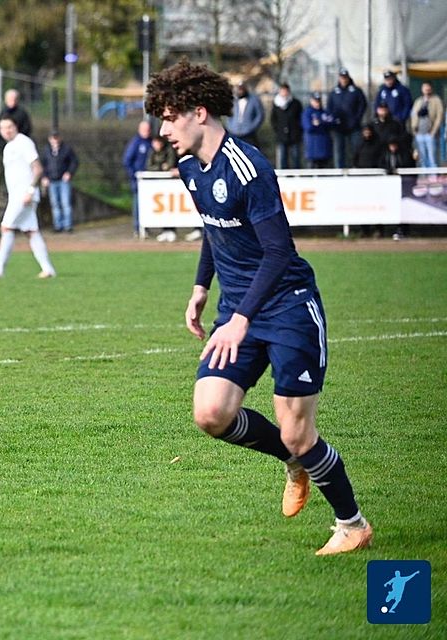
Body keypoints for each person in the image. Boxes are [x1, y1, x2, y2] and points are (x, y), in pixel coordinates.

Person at [145, 59, 372, 556]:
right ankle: (293, 461)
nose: (163, 131)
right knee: (211, 413)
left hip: (287, 307)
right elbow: (213, 226)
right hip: (238, 309)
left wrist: (241, 318)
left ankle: (351, 523)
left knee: (298, 432)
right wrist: (202, 286)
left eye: (168, 118)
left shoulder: (249, 168)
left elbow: (279, 252)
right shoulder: (189, 167)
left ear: (198, 112)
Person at [0, 117, 56, 280]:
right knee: (31, 232)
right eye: (3, 128)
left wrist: (30, 190)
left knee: (6, 227)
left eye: (10, 127)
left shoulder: (24, 142)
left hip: (24, 196)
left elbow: (37, 168)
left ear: (16, 127)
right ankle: (48, 269)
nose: (7, 130)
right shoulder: (8, 147)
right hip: (16, 196)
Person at [145, 134, 184, 242]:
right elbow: (148, 166)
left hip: (170, 184)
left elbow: (170, 165)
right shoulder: (152, 152)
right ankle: (164, 230)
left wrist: (163, 167)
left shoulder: (169, 150)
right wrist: (160, 167)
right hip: (158, 184)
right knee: (163, 209)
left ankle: (172, 230)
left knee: (171, 208)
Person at [327, 68, 367, 168]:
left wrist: (356, 119)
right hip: (338, 127)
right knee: (339, 150)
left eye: (345, 78)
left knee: (355, 149)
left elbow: (362, 105)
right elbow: (329, 108)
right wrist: (334, 120)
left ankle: (355, 167)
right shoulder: (334, 92)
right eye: (342, 78)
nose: (344, 80)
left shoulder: (356, 91)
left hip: (354, 126)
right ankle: (339, 169)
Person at [39, 130, 79, 233]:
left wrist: (69, 173)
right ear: (50, 139)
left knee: (65, 203)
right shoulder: (46, 150)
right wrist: (44, 177)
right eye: (53, 138)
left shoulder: (67, 149)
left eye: (56, 138)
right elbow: (42, 165)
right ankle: (58, 225)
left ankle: (68, 226)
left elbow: (74, 162)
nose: (55, 140)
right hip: (52, 180)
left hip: (63, 180)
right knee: (55, 204)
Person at [122, 120, 152, 235]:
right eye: (145, 129)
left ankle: (146, 227)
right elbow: (127, 160)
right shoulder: (135, 143)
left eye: (148, 129)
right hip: (139, 180)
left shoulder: (151, 142)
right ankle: (137, 228)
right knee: (138, 203)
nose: (147, 132)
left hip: (150, 180)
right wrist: (134, 174)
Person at [410, 82, 444, 169]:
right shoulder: (418, 101)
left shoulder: (436, 100)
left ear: (431, 89)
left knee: (432, 158)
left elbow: (439, 116)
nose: (426, 89)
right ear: (422, 89)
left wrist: (433, 131)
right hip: (419, 133)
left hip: (430, 133)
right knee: (422, 159)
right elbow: (414, 115)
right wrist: (414, 129)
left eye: (428, 88)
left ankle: (433, 179)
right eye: (425, 88)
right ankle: (424, 179)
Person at [270, 83, 302, 169]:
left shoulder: (295, 103)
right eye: (282, 91)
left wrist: (297, 130)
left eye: (286, 91)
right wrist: (278, 130)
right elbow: (273, 119)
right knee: (282, 158)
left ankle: (297, 175)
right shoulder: (276, 104)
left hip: (294, 135)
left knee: (295, 157)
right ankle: (284, 176)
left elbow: (299, 118)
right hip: (281, 135)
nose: (284, 93)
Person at [302, 92, 334, 169]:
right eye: (315, 101)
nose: (317, 103)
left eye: (318, 101)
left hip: (325, 147)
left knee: (324, 169)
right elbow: (308, 127)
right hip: (312, 148)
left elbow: (332, 123)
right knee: (312, 168)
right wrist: (319, 124)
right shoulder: (307, 112)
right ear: (311, 101)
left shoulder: (324, 112)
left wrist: (320, 123)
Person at [227, 82, 264, 147]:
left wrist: (251, 127)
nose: (240, 91)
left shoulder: (254, 100)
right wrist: (230, 127)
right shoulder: (234, 100)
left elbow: (259, 115)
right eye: (239, 89)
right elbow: (229, 115)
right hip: (234, 132)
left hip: (248, 134)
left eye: (242, 89)